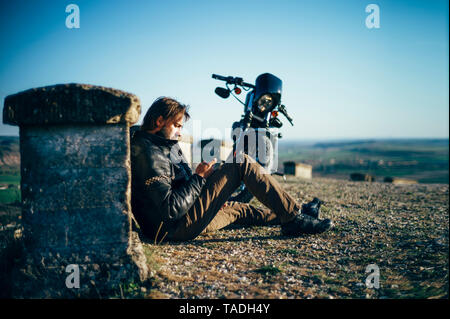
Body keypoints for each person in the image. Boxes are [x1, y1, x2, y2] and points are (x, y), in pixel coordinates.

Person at [130, 97, 333, 242]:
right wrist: (199, 178)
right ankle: (294, 218)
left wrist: (212, 196)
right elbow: (169, 209)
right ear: (159, 121)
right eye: (177, 125)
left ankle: (299, 214)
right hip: (174, 229)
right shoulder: (148, 153)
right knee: (240, 162)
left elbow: (179, 187)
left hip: (185, 219)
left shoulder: (165, 145)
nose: (181, 133)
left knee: (239, 209)